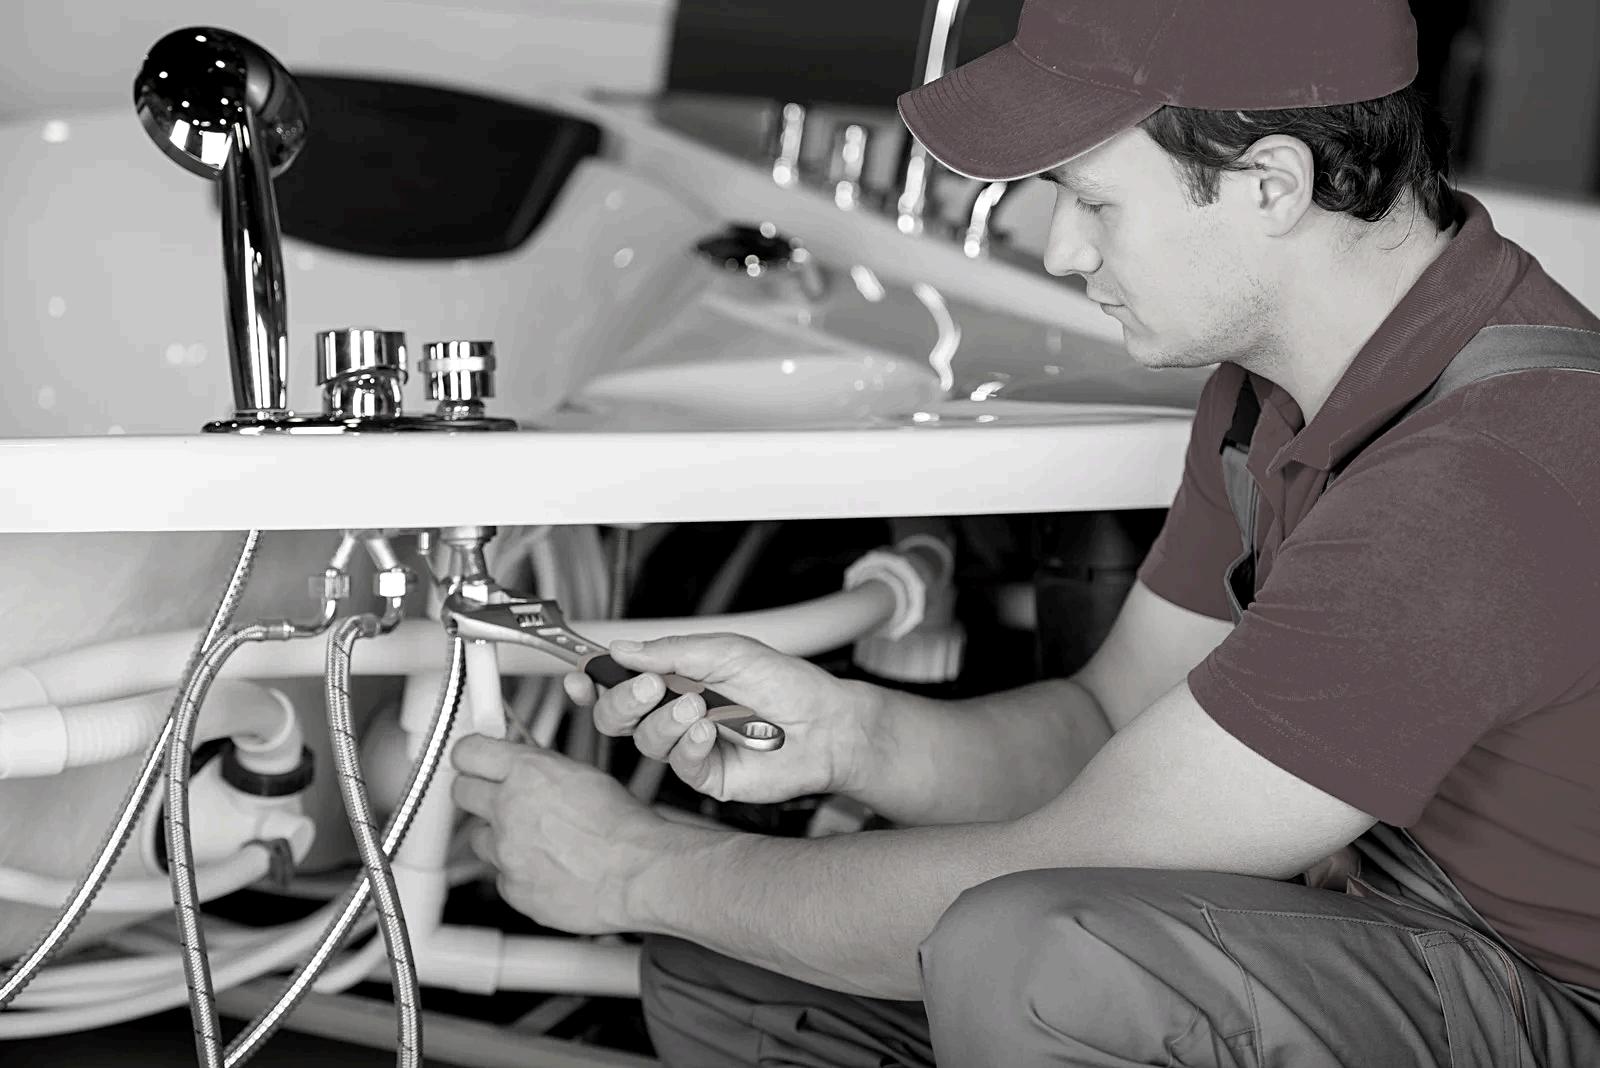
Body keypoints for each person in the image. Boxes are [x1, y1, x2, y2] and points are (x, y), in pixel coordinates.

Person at [449, 0, 1600, 1063]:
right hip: (1389, 932)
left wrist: (638, 870)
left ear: (1270, 184)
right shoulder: (1268, 394)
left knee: (1038, 962)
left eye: (1092, 201)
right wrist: (854, 736)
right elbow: (1108, 721)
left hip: (1551, 1002)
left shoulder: (1481, 478)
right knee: (743, 967)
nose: (1060, 253)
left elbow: (1068, 863)